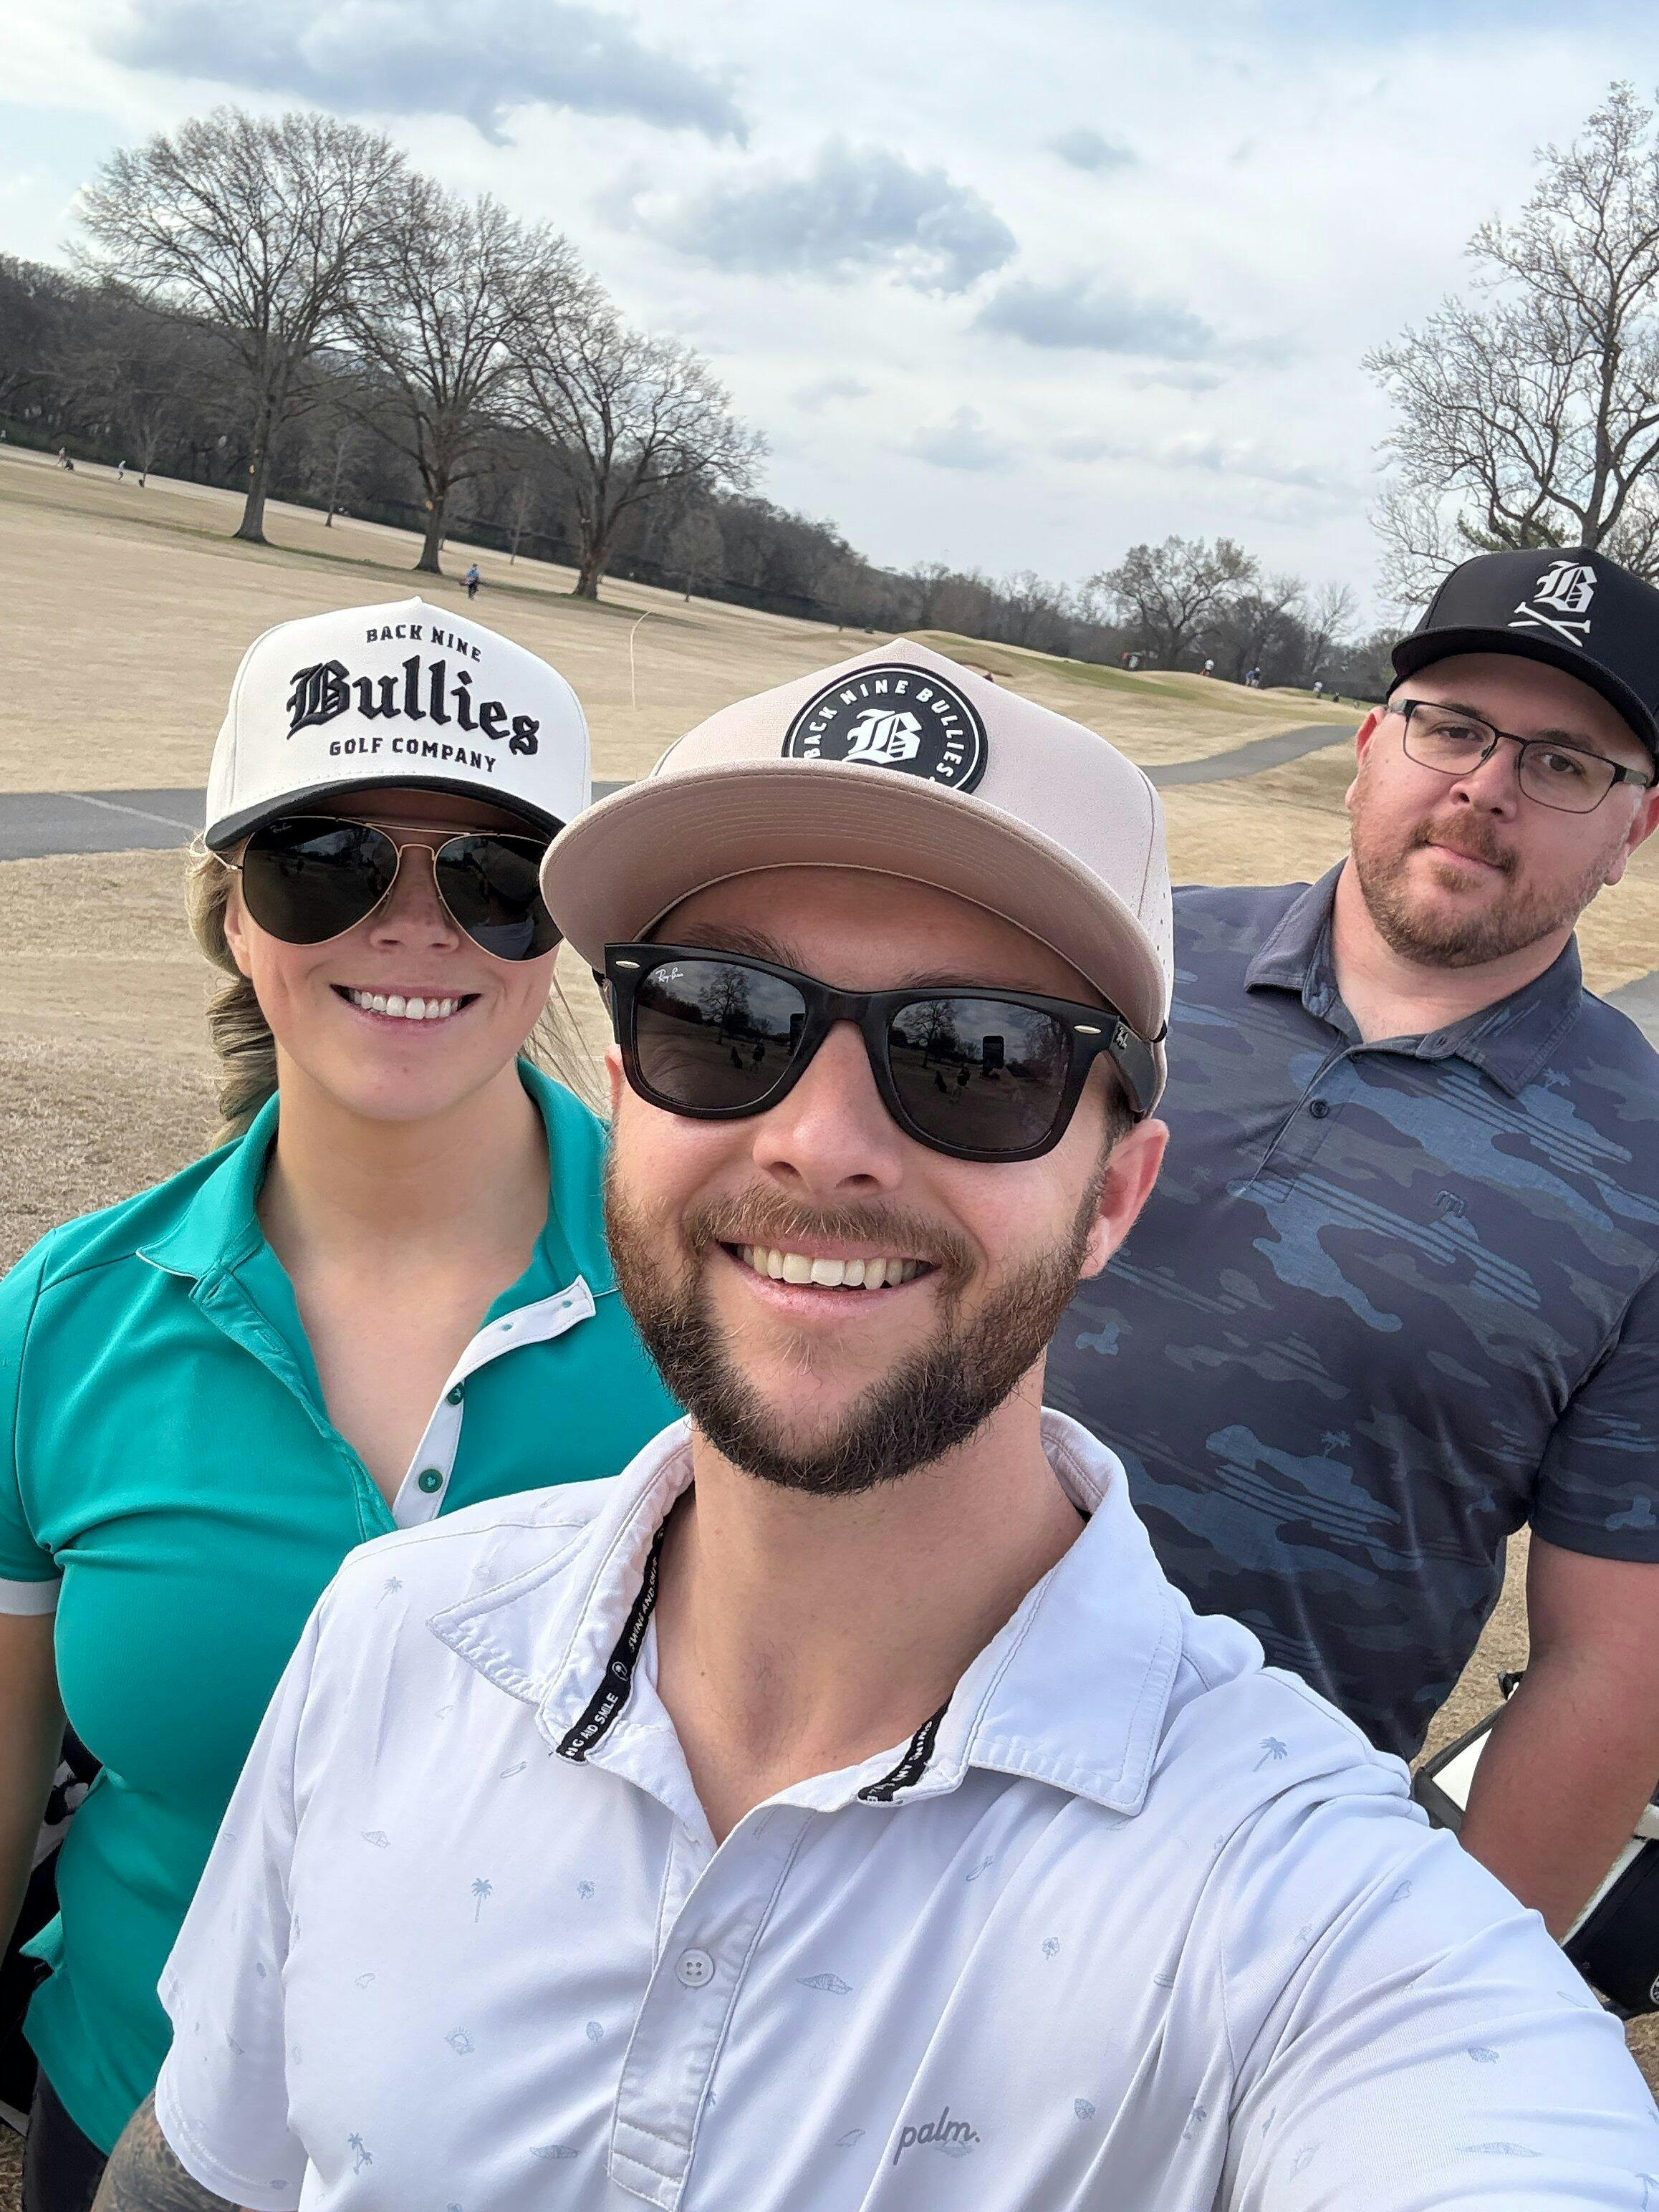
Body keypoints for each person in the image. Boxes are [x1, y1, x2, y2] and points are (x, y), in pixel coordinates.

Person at [102, 641, 1656, 2210]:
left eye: (976, 1057)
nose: (820, 1141)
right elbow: (202, 2173)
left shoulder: (1305, 1906)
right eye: (722, 1017)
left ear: (1116, 1194)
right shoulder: (396, 1631)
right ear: (624, 1093)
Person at [0, 595, 679, 2208]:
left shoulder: (718, 1308)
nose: (414, 926)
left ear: (558, 936)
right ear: (236, 915)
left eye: (495, 878)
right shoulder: (61, 1321)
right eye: (326, 861)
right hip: (125, 2115)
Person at [1049, 545, 1659, 1938]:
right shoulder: (1121, 970)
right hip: (870, 1720)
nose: (1488, 786)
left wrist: (1443, 1982)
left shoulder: (1646, 1172)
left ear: (1638, 827)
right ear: (1372, 745)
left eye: (1565, 763)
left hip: (1237, 1886)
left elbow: (1613, 1665)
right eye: (1454, 726)